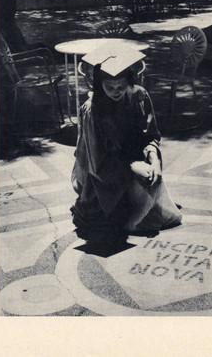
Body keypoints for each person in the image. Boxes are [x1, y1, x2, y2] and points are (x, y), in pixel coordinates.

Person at [70, 42, 182, 250]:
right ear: (99, 84)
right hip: (103, 176)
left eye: (121, 87)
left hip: (134, 161)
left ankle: (136, 206)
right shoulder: (91, 110)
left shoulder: (139, 96)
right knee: (109, 221)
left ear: (130, 82)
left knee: (154, 180)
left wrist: (153, 158)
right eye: (109, 87)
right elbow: (96, 162)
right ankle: (129, 215)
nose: (116, 92)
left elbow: (150, 135)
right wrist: (132, 166)